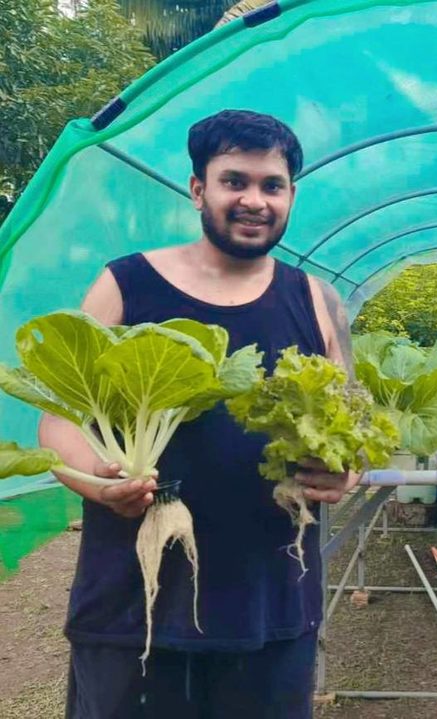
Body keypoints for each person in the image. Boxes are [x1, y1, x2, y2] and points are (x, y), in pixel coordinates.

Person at [40, 109, 359, 718]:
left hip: (272, 600)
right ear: (197, 189)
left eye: (273, 185)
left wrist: (347, 471)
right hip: (135, 604)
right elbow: (59, 416)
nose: (255, 200)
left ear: (291, 195)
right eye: (234, 180)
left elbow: (349, 422)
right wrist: (98, 479)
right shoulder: (127, 283)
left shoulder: (317, 301)